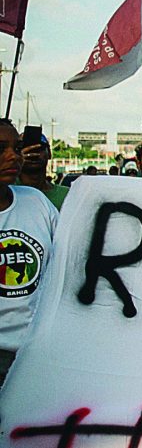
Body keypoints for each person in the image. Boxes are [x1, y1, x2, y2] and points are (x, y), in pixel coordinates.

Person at [0, 119, 58, 386]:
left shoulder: (36, 202)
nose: (14, 156)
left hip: (36, 356)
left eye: (17, 147)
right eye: (1, 148)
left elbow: (64, 264)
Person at [17, 133, 68, 211]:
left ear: (49, 154)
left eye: (39, 149)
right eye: (26, 149)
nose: (33, 154)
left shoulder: (66, 195)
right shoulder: (7, 191)